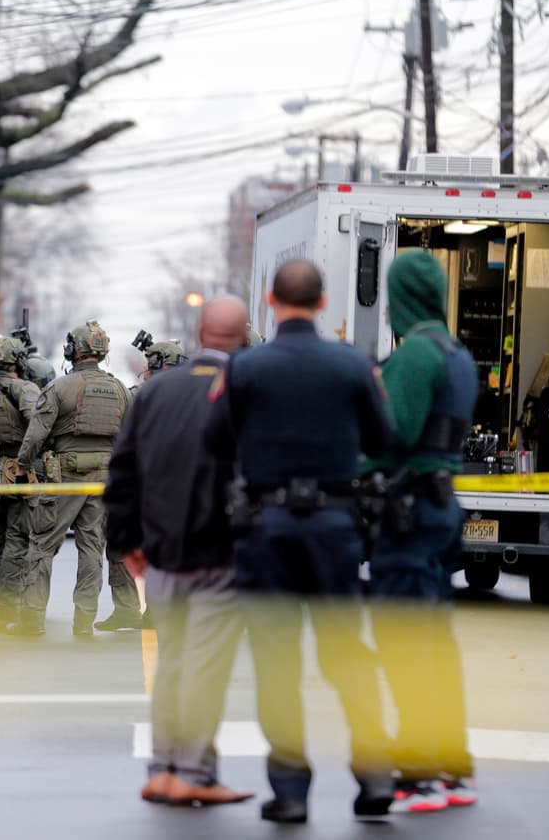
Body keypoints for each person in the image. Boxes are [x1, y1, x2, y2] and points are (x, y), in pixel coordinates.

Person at [204, 259, 394, 824]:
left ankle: (289, 790)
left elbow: (215, 440)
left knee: (277, 661)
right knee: (346, 653)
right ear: (321, 301)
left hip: (266, 528)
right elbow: (383, 440)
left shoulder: (245, 367)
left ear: (269, 299)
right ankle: (375, 771)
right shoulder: (352, 365)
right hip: (335, 526)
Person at [105, 296, 252, 807]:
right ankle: (194, 772)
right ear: (243, 334)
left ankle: (162, 768)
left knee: (172, 662)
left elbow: (122, 471)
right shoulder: (247, 389)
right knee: (206, 667)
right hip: (221, 552)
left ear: (200, 332)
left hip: (162, 552)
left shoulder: (155, 391)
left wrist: (126, 543)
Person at [366, 250, 478, 813]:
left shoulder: (412, 356)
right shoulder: (458, 354)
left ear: (402, 296)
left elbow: (394, 434)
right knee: (436, 642)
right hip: (442, 509)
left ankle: (417, 774)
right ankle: (454, 766)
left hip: (407, 510)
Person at [9, 321, 136, 637]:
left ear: (74, 350)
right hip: (104, 482)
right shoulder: (120, 390)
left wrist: (23, 466)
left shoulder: (60, 387)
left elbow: (36, 434)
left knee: (42, 546)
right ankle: (84, 621)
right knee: (92, 548)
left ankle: (32, 619)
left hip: (64, 478)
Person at [0, 336, 41, 631]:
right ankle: (5, 610)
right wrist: (27, 462)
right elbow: (36, 427)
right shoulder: (26, 389)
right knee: (16, 541)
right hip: (17, 472)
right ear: (18, 361)